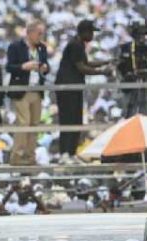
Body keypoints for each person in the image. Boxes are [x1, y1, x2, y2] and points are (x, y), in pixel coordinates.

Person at [55, 19, 109, 160]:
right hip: (67, 88)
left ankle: (71, 153)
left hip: (74, 87)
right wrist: (103, 72)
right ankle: (64, 154)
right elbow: (82, 68)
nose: (92, 35)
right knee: (68, 120)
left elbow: (86, 63)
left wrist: (106, 62)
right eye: (91, 32)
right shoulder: (75, 45)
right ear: (84, 32)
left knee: (76, 120)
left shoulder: (78, 44)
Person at [5, 20, 50, 165]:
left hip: (36, 89)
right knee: (23, 123)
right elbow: (9, 67)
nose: (41, 36)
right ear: (30, 33)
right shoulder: (15, 47)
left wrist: (44, 68)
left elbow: (46, 66)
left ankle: (30, 156)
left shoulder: (42, 48)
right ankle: (17, 156)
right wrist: (24, 67)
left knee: (34, 124)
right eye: (39, 33)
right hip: (21, 89)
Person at [117, 21, 147, 116]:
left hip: (146, 85)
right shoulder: (126, 47)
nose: (142, 37)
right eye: (139, 34)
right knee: (129, 112)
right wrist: (128, 75)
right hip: (130, 84)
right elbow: (120, 66)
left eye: (144, 34)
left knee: (145, 112)